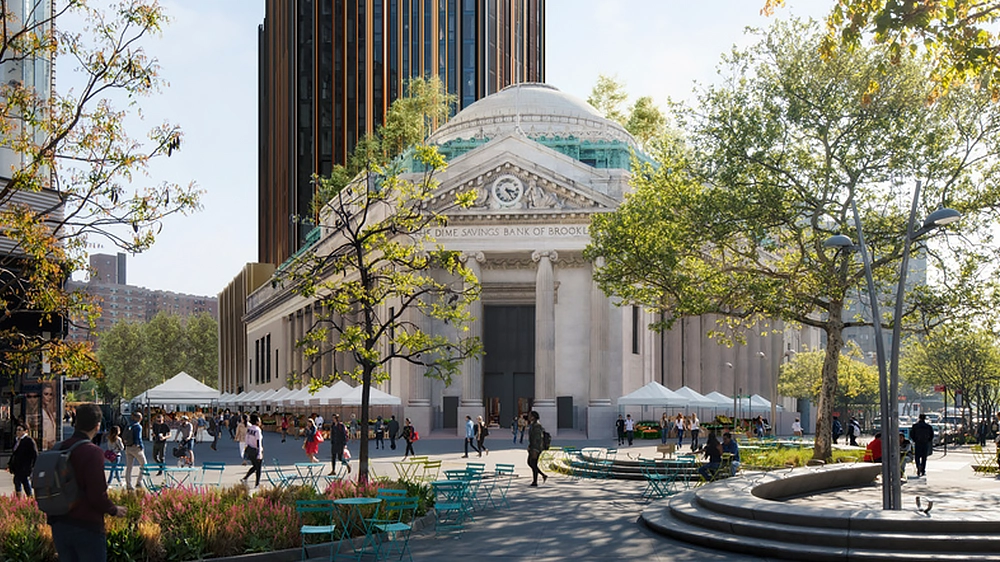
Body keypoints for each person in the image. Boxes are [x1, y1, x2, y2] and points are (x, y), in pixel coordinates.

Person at [47, 403, 127, 562]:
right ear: (97, 426)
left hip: (59, 524)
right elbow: (96, 495)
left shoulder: (59, 447)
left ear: (75, 423)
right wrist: (113, 509)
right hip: (86, 526)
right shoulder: (92, 452)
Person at [8, 421, 37, 496]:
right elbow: (14, 453)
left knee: (18, 480)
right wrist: (10, 464)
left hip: (25, 466)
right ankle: (28, 497)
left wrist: (33, 466)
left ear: (25, 431)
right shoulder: (17, 440)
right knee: (23, 481)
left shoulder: (29, 441)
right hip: (17, 466)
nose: (18, 432)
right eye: (17, 430)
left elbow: (35, 454)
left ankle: (24, 498)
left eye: (20, 430)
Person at [123, 411, 146, 490]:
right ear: (139, 418)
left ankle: (128, 484)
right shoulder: (138, 426)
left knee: (129, 467)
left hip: (128, 447)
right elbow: (138, 438)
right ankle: (139, 481)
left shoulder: (128, 425)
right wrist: (141, 446)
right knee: (144, 464)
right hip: (135, 448)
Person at [240, 413, 263, 488]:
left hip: (250, 449)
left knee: (255, 466)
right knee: (258, 468)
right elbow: (258, 442)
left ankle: (245, 478)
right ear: (256, 421)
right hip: (256, 450)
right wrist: (260, 453)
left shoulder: (249, 429)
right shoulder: (257, 430)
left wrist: (246, 449)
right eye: (259, 420)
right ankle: (257, 484)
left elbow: (246, 440)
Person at [526, 410, 548, 487]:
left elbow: (538, 438)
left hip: (536, 448)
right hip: (532, 446)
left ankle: (535, 481)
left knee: (533, 463)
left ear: (533, 417)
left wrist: (535, 450)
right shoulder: (533, 425)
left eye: (530, 415)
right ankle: (543, 475)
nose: (528, 417)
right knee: (530, 462)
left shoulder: (537, 426)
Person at [40, 381, 58, 450]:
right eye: (46, 394)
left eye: (51, 394)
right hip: (44, 447)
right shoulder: (40, 412)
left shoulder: (49, 411)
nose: (49, 397)